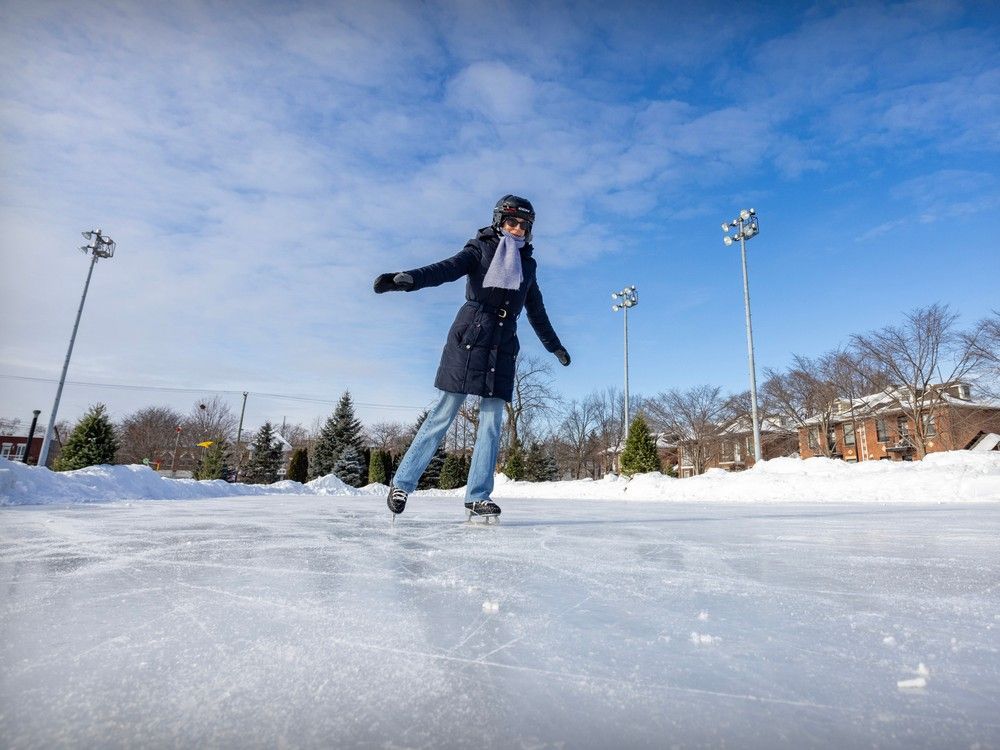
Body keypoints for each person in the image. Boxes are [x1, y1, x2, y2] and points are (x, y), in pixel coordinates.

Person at [373, 195, 570, 520]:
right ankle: (402, 483)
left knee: (492, 424)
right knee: (443, 414)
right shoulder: (480, 249)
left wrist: (554, 346)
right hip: (470, 335)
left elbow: (536, 310)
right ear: (499, 221)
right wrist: (408, 279)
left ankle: (478, 496)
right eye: (512, 222)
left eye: (524, 225)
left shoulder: (528, 265)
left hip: (503, 343)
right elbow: (446, 269)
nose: (517, 229)